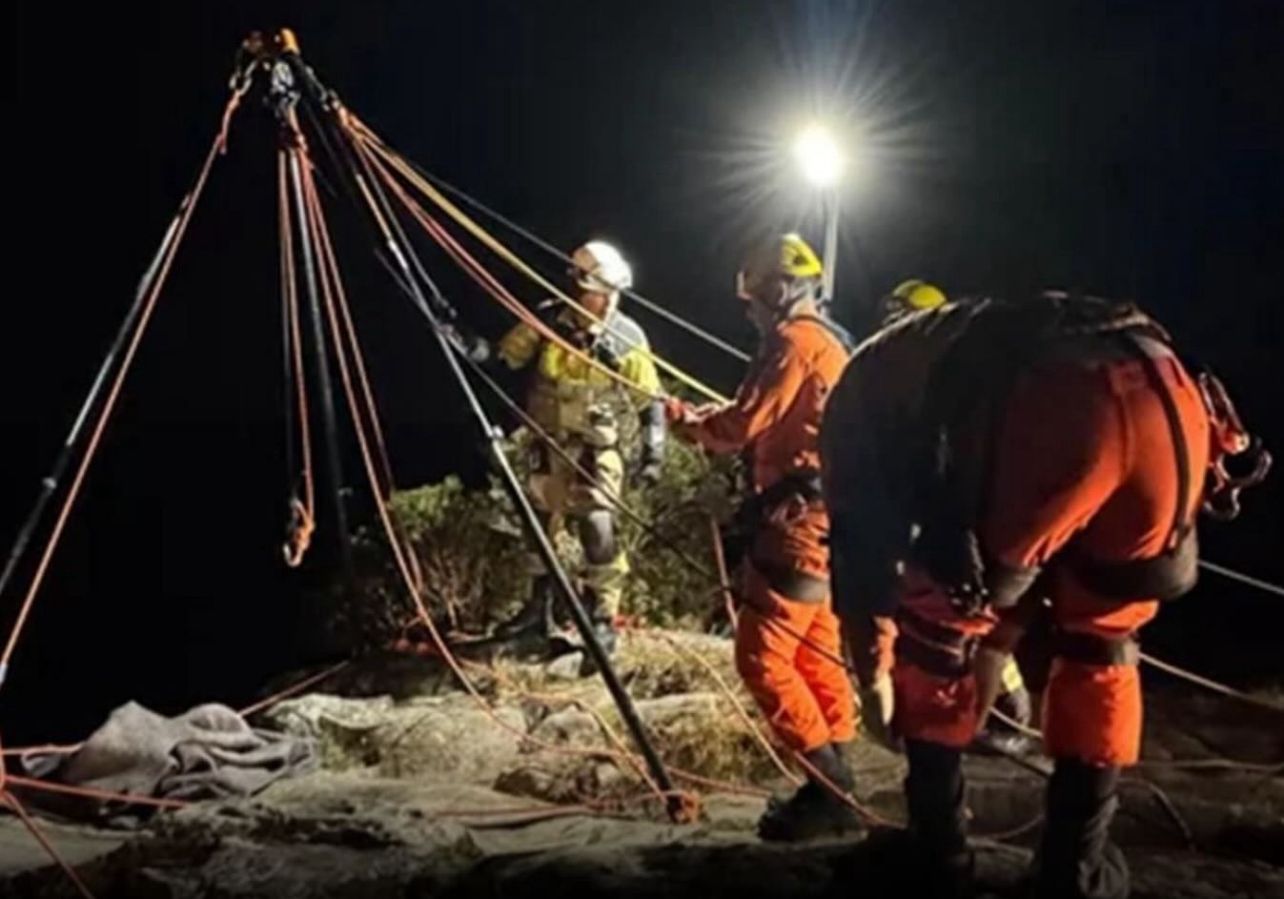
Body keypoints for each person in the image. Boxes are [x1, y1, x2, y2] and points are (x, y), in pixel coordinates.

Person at [821, 290, 1254, 896]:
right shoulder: (945, 343)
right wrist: (997, 647)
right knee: (1105, 634)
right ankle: (1074, 872)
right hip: (1172, 391)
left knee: (940, 626)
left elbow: (860, 549)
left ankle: (936, 853)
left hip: (1056, 405)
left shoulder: (856, 398)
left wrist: (872, 678)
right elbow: (1037, 561)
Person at [668, 233, 859, 840]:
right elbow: (780, 414)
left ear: (778, 290)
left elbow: (743, 425)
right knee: (814, 651)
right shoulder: (834, 342)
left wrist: (690, 425)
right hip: (830, 519)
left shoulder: (792, 341)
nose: (750, 313)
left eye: (753, 301)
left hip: (795, 524)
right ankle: (839, 777)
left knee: (763, 658)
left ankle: (829, 788)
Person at [492, 240, 665, 664]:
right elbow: (503, 360)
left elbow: (651, 400)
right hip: (548, 442)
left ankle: (601, 618)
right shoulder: (548, 322)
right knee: (537, 527)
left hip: (593, 448)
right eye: (596, 292)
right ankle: (537, 614)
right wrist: (460, 338)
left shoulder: (626, 337)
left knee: (597, 524)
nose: (604, 302)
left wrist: (654, 453)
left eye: (611, 294)